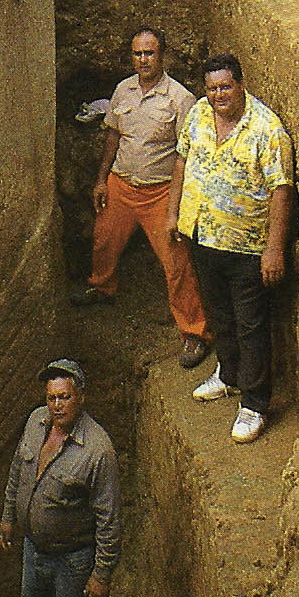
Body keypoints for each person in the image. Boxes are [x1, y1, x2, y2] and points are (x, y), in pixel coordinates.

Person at [167, 53, 293, 444]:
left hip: (245, 245)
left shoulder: (266, 129)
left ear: (240, 84)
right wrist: (174, 213)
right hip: (203, 234)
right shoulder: (200, 114)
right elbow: (181, 161)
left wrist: (274, 249)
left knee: (251, 323)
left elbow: (282, 191)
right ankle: (228, 374)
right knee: (219, 313)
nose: (218, 94)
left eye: (225, 86)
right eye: (212, 87)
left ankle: (254, 404)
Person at [75, 28, 212, 369]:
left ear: (162, 55)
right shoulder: (123, 89)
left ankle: (194, 332)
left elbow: (187, 157)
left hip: (160, 193)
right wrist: (102, 179)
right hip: (121, 185)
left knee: (176, 263)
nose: (143, 60)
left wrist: (175, 209)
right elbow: (113, 136)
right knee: (103, 241)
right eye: (137, 54)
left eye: (149, 53)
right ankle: (102, 287)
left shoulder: (180, 100)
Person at [0, 358, 121, 597]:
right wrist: (8, 516)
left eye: (64, 397)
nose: (57, 405)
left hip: (73, 559)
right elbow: (18, 470)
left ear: (80, 397)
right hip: (34, 549)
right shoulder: (35, 421)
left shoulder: (98, 450)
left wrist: (101, 576)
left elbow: (109, 519)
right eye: (51, 397)